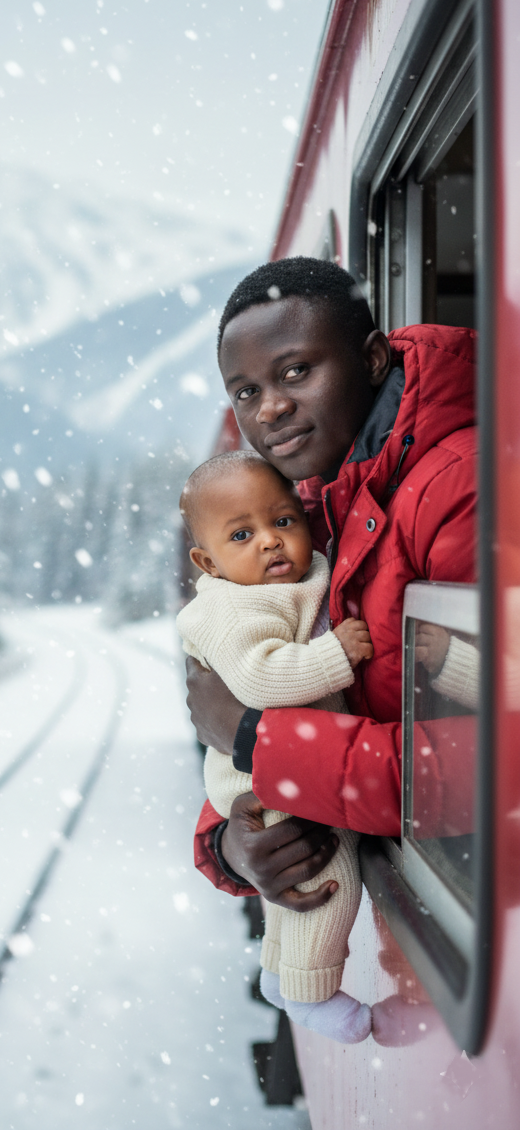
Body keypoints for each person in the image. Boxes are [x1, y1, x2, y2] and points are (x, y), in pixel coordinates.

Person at [187, 257, 476, 917]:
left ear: (373, 359)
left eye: (295, 372)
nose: (272, 408)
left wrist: (251, 739)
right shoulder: (313, 503)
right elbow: (291, 699)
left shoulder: (467, 487)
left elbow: (493, 769)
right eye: (246, 391)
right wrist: (233, 842)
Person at [177, 450, 373, 1042]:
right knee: (327, 881)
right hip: (264, 775)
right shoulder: (234, 606)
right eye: (243, 534)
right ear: (208, 562)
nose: (270, 542)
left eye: (284, 521)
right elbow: (263, 678)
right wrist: (339, 653)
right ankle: (313, 993)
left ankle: (277, 976)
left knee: (290, 895)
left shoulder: (281, 580)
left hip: (285, 761)